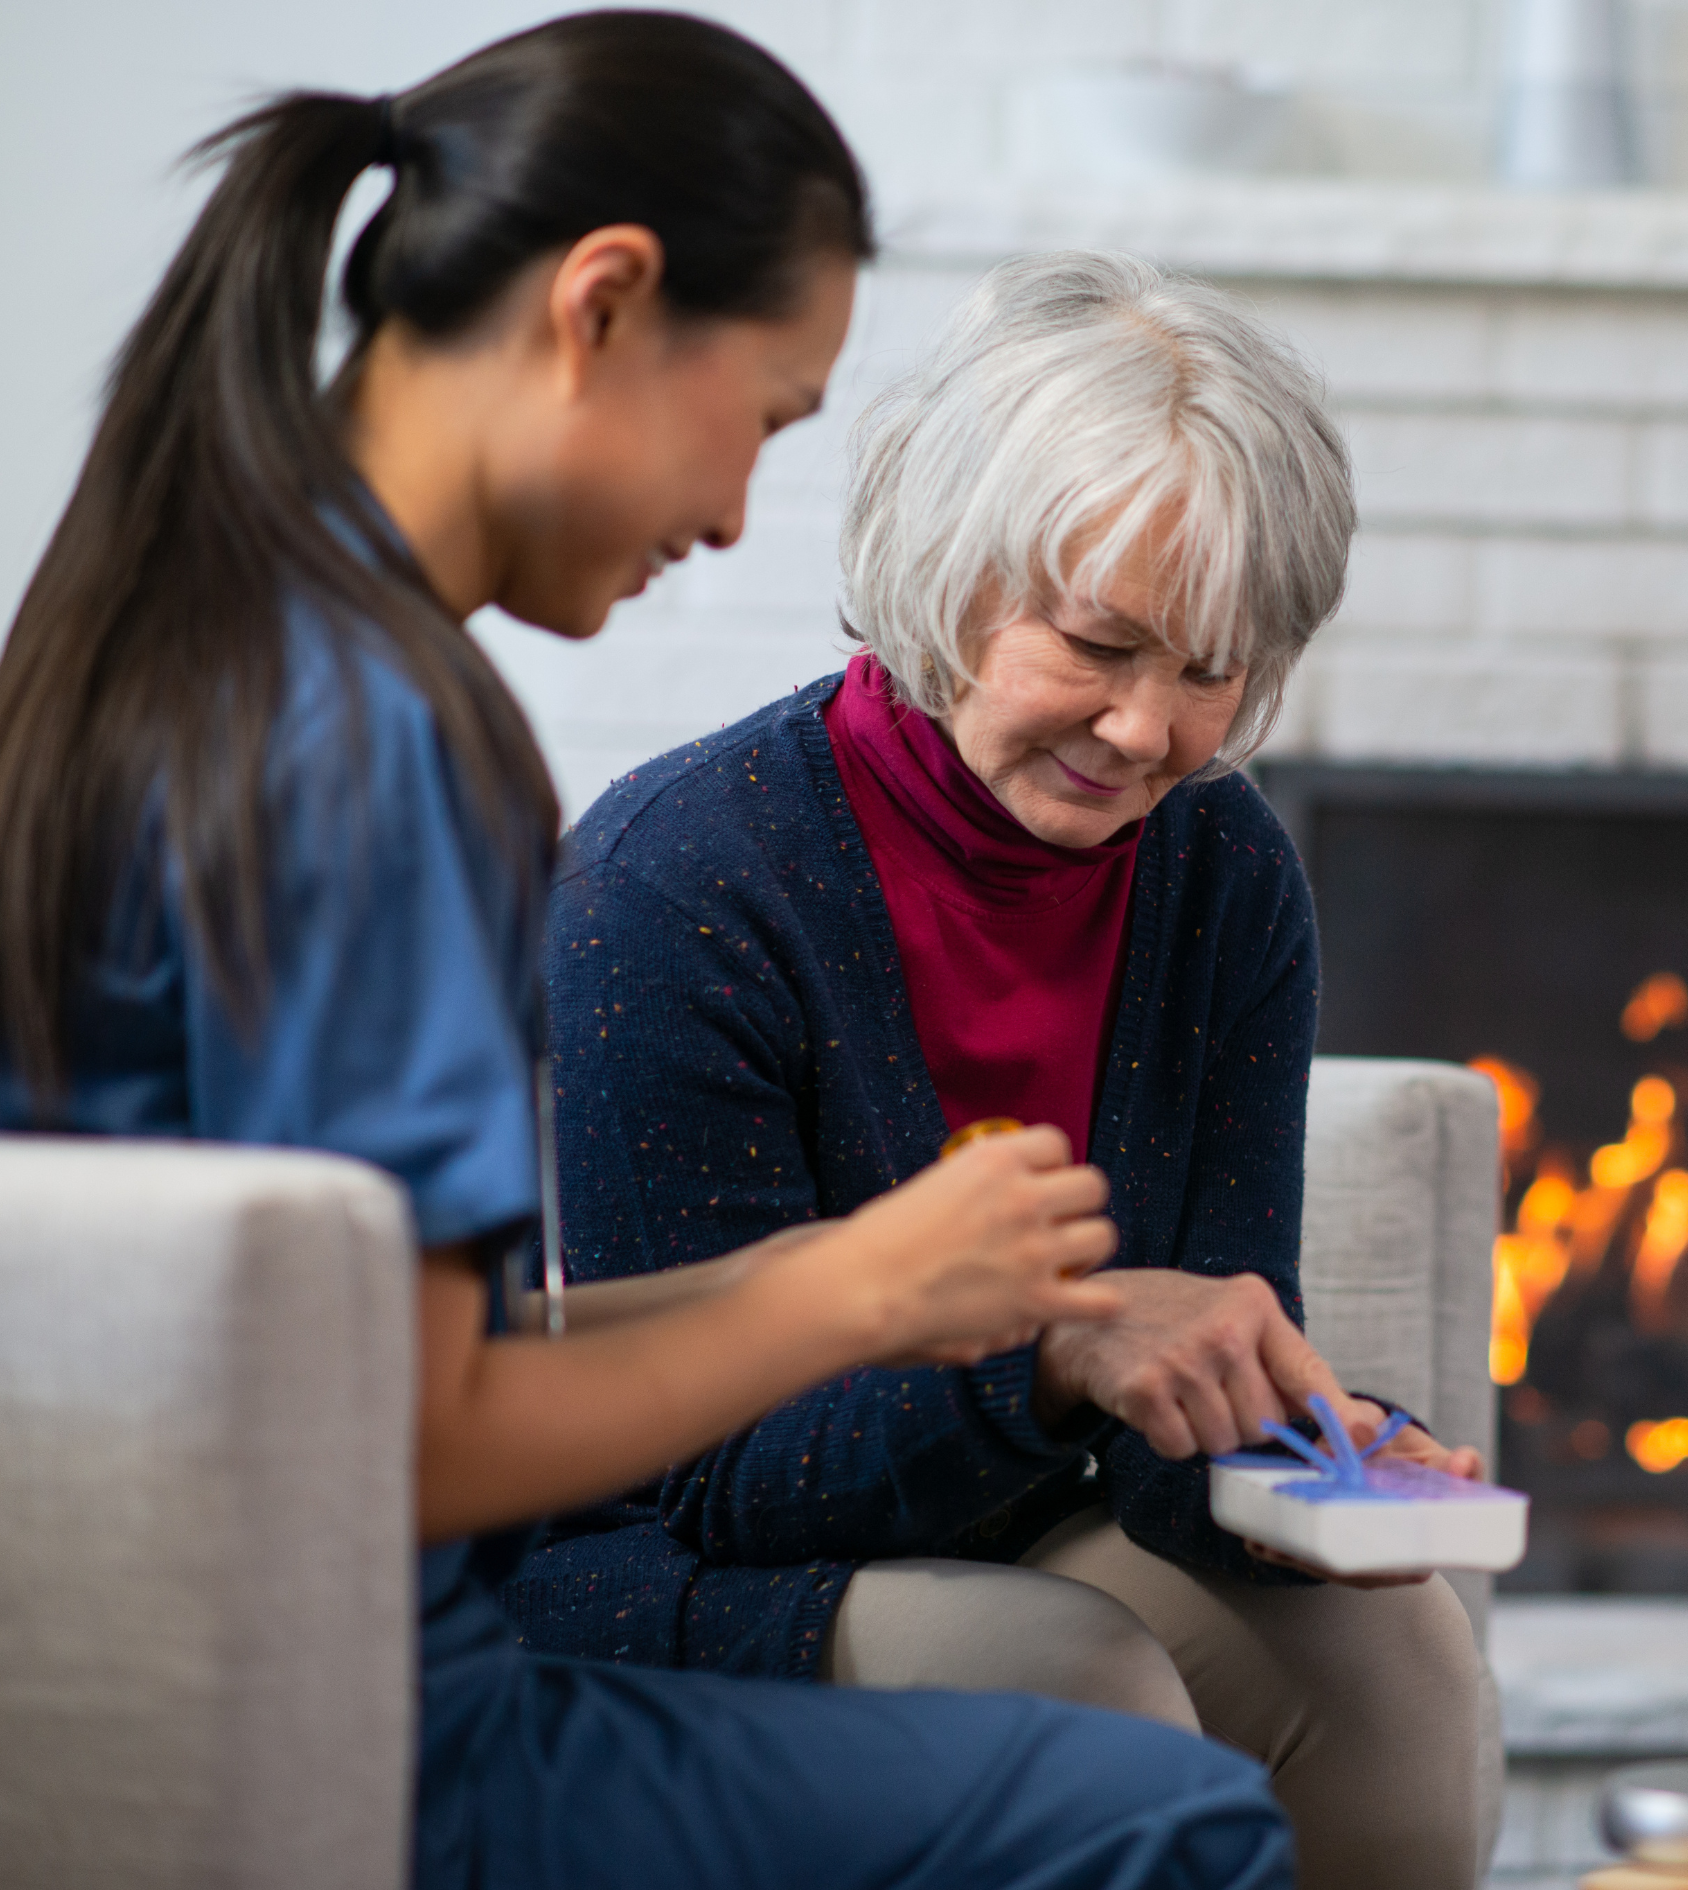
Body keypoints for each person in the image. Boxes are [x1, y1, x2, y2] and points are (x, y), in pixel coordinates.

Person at [0, 14, 1303, 1890]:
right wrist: (851, 1300)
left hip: (258, 1632)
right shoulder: (386, 738)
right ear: (602, 307)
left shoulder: (212, 625)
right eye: (764, 416)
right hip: (379, 1697)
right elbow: (409, 1440)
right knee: (1166, 1817)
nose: (731, 518)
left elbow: (354, 1339)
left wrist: (850, 1272)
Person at [517, 250, 1503, 1890]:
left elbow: (1189, 1385)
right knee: (1076, 1688)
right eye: (1098, 643)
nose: (1144, 733)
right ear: (945, 572)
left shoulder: (1223, 871)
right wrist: (1053, 1362)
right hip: (686, 1571)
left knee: (1402, 1666)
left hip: (1027, 1517)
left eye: (1212, 668)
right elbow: (694, 1470)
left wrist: (1316, 1465)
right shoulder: (677, 886)